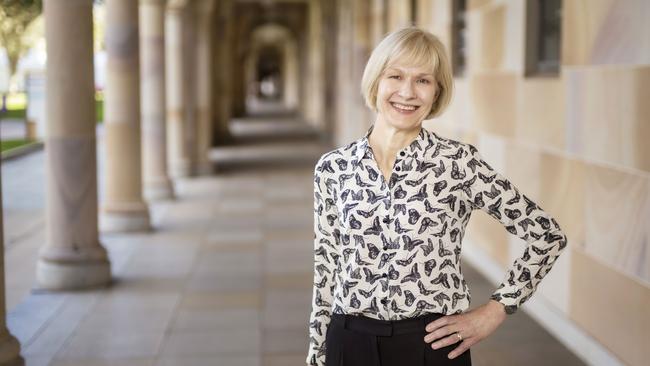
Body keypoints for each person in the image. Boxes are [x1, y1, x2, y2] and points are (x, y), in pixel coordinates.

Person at [306, 26, 568, 366]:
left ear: (436, 91)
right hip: (349, 343)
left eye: (423, 80)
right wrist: (317, 351)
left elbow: (546, 235)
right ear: (376, 81)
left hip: (431, 345)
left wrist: (495, 311)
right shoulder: (333, 168)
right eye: (395, 76)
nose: (407, 92)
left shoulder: (458, 163)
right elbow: (326, 265)